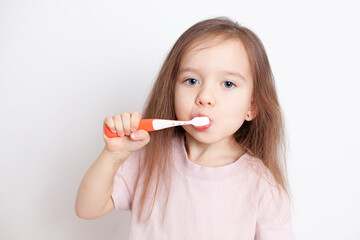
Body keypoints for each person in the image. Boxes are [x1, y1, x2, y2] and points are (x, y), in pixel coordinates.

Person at [75, 16, 296, 239]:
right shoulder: (150, 158)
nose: (205, 97)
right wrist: (113, 155)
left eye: (228, 84)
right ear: (172, 91)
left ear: (252, 106)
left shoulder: (262, 185)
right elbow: (87, 208)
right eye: (191, 81)